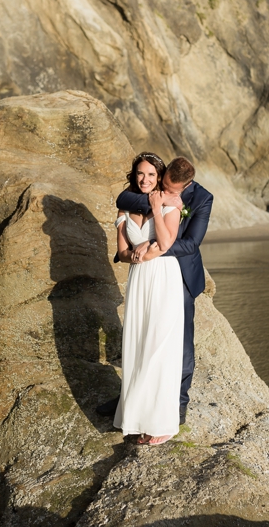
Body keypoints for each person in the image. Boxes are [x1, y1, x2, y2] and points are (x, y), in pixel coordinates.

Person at [99, 155, 213, 427]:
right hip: (145, 272)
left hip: (179, 274)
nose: (166, 191)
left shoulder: (202, 199)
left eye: (173, 190)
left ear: (186, 186)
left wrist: (153, 248)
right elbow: (125, 201)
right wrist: (159, 201)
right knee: (139, 336)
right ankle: (130, 399)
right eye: (163, 185)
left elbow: (191, 243)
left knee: (180, 343)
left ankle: (179, 404)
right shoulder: (154, 189)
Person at [111, 152, 185, 445]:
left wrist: (146, 247)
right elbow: (122, 253)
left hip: (164, 277)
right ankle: (140, 420)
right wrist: (139, 252)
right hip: (140, 279)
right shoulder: (124, 209)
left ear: (160, 177)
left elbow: (166, 244)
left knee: (159, 348)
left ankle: (163, 423)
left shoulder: (169, 205)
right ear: (134, 175)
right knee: (138, 346)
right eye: (141, 174)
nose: (145, 179)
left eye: (152, 175)